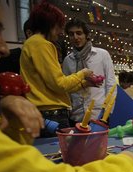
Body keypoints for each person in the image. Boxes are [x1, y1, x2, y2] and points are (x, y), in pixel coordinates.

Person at [0, 0, 133, 172]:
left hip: (93, 114)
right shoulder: (60, 54)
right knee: (74, 160)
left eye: (78, 32)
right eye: (68, 32)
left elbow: (109, 85)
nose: (4, 49)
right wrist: (127, 160)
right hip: (70, 115)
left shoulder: (100, 54)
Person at [20, 2, 98, 138]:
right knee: (61, 156)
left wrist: (84, 84)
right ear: (49, 25)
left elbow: (53, 86)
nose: (60, 32)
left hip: (45, 113)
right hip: (52, 115)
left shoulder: (32, 44)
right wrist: (83, 73)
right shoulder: (41, 44)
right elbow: (60, 84)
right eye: (58, 27)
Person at [63, 18, 117, 125]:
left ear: (87, 35)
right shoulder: (68, 60)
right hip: (76, 115)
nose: (75, 37)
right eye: (71, 34)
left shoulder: (102, 55)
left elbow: (111, 84)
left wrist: (108, 112)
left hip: (99, 115)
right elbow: (66, 89)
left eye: (79, 33)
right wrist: (68, 111)